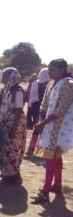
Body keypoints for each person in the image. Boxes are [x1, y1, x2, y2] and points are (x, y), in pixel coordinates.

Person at [32, 59, 73, 203]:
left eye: (52, 70)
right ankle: (57, 185)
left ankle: (45, 191)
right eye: (49, 69)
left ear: (62, 70)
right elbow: (44, 103)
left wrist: (43, 123)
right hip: (49, 125)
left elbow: (61, 110)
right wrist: (41, 119)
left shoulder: (68, 85)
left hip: (60, 127)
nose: (49, 72)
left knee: (49, 157)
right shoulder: (50, 84)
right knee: (55, 156)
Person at [0, 67, 26, 184]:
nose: (2, 79)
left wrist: (13, 127)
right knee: (5, 148)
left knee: (13, 149)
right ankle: (7, 172)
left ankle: (16, 176)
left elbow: (18, 110)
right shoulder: (5, 90)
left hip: (14, 123)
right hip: (5, 121)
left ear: (11, 77)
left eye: (4, 76)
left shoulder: (18, 91)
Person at [27, 68, 51, 154]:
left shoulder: (51, 85)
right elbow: (31, 100)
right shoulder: (36, 85)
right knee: (37, 129)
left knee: (46, 130)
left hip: (47, 110)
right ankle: (31, 148)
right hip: (38, 109)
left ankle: (44, 150)